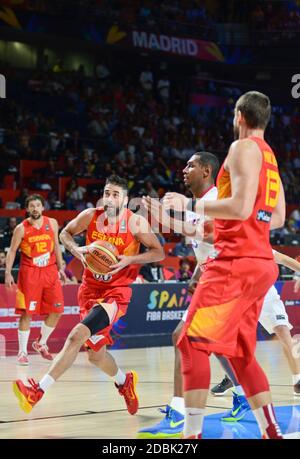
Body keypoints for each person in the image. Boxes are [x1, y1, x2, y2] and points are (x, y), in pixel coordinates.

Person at [161, 91, 286, 439]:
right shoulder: (271, 157)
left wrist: (190, 205)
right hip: (261, 263)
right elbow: (275, 217)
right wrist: (247, 219)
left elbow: (242, 208)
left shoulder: (242, 148)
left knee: (189, 342)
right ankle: (270, 431)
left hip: (235, 261)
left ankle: (191, 437)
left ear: (240, 117)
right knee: (243, 355)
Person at [12, 175, 164, 415]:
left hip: (116, 293)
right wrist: (77, 250)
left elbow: (159, 252)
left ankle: (37, 391)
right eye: (106, 193)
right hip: (89, 291)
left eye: (115, 194)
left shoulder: (135, 223)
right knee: (96, 356)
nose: (109, 198)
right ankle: (125, 382)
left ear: (125, 200)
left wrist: (131, 260)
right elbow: (65, 234)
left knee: (76, 336)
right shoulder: (91, 216)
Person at [214, 250, 300, 420]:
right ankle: (232, 377)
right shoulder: (226, 244)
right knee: (235, 340)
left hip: (265, 293)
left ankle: (297, 380)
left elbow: (283, 259)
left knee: (283, 331)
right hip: (239, 293)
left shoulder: (255, 241)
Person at [5, 194, 66, 365]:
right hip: (30, 274)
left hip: (50, 272)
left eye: (38, 205)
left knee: (57, 310)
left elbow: (56, 245)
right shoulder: (21, 228)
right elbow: (11, 252)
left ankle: (41, 343)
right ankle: (22, 352)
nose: (35, 209)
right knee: (26, 313)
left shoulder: (52, 223)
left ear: (43, 207)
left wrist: (61, 268)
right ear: (27, 209)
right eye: (31, 206)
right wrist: (8, 272)